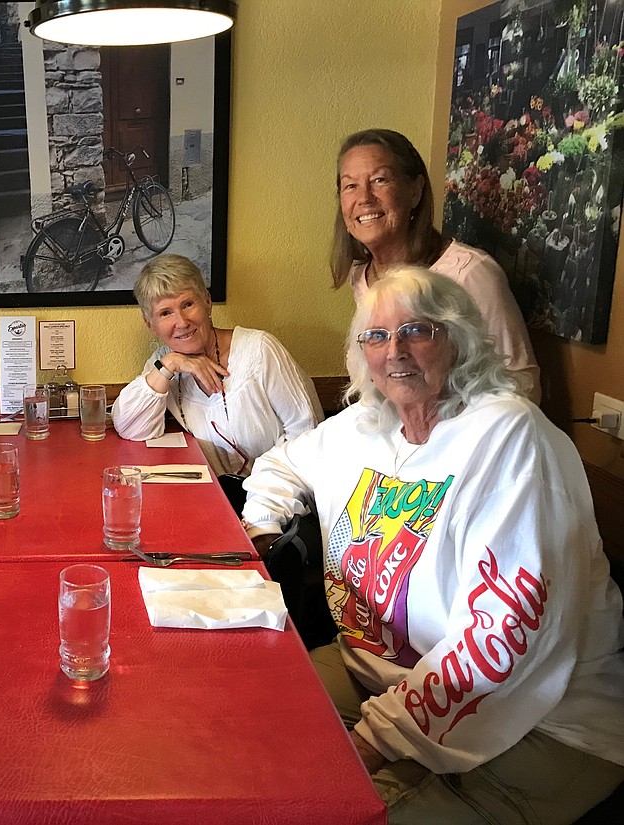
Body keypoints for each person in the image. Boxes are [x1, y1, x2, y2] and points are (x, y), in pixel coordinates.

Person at [242, 267, 624, 823]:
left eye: (417, 330)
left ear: (458, 338)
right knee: (237, 723)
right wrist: (263, 530)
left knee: (323, 808)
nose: (394, 350)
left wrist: (371, 744)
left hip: (544, 723)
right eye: (376, 336)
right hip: (379, 675)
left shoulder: (509, 436)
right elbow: (280, 463)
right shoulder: (364, 425)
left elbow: (500, 641)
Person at [331, 128, 541, 403]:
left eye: (380, 179)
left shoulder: (470, 272)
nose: (365, 198)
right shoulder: (361, 277)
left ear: (415, 190)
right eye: (350, 186)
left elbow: (521, 384)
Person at [111, 254, 323, 481]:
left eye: (188, 304)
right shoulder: (165, 363)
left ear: (207, 302)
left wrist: (263, 501)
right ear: (150, 325)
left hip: (280, 500)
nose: (181, 322)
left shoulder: (259, 349)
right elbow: (131, 427)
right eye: (165, 313)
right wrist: (171, 363)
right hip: (217, 499)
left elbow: (308, 434)